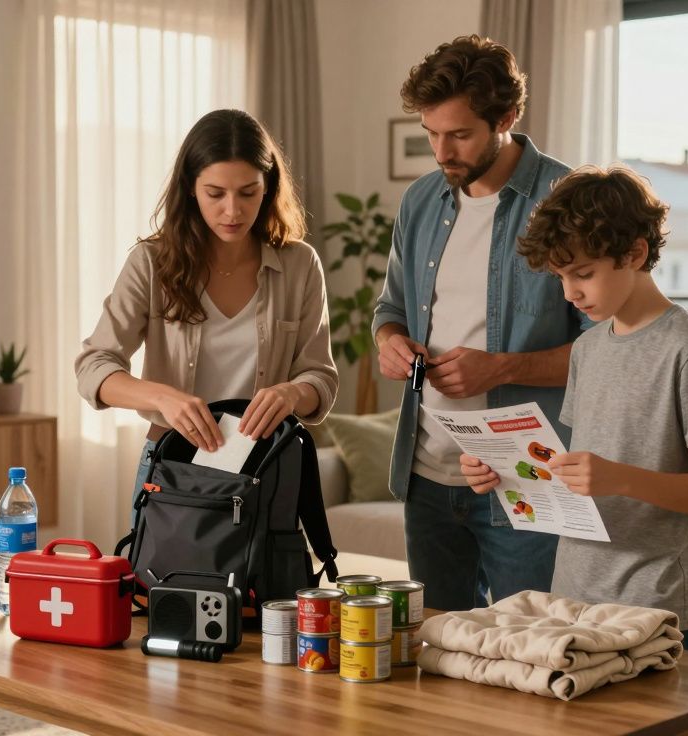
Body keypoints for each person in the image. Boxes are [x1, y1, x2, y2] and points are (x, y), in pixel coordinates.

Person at [463, 164, 688, 650]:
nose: (570, 292)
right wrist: (503, 471)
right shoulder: (587, 350)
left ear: (634, 253)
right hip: (573, 595)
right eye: (560, 277)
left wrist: (621, 478)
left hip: (655, 603)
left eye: (583, 274)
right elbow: (574, 473)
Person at [373, 35, 590, 611]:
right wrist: (390, 343)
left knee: (529, 654)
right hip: (427, 473)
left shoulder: (566, 201)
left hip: (526, 477)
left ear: (507, 118)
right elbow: (389, 308)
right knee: (435, 655)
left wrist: (502, 369)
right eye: (431, 133)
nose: (442, 151)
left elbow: (607, 352)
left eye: (460, 135)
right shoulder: (421, 200)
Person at [76, 109, 338, 496]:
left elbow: (321, 377)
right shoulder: (151, 263)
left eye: (248, 192)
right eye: (215, 194)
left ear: (267, 187)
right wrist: (163, 397)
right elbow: (93, 367)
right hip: (170, 467)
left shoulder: (300, 264)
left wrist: (292, 393)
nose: (232, 211)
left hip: (266, 468)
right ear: (191, 188)